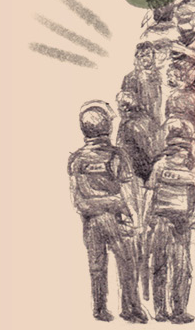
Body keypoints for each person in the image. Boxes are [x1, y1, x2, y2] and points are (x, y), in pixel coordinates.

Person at [68, 100, 147, 323]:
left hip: (91, 219)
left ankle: (100, 309)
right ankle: (131, 309)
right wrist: (136, 217)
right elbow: (128, 190)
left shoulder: (77, 158)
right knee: (127, 263)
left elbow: (75, 196)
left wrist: (92, 206)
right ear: (107, 128)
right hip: (116, 216)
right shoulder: (117, 156)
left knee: (96, 264)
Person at [144, 119, 195, 324]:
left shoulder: (192, 168)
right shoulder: (164, 166)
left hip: (176, 221)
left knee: (176, 267)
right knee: (165, 265)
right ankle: (166, 310)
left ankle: (173, 310)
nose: (180, 153)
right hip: (165, 220)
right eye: (177, 149)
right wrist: (148, 218)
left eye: (182, 149)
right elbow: (151, 192)